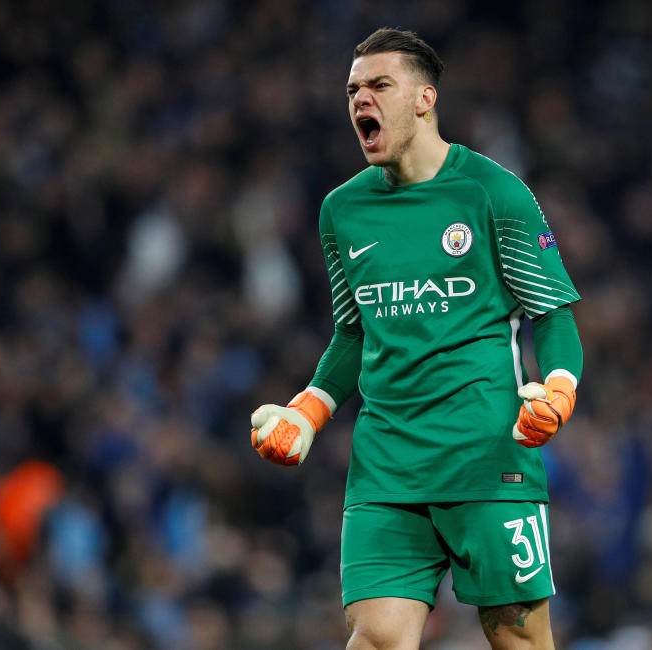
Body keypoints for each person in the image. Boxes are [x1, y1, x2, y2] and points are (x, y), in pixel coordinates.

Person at [250, 28, 583, 650]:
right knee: (376, 638)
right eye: (353, 90)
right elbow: (354, 334)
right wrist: (309, 410)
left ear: (425, 98)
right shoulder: (341, 211)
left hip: (486, 455)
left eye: (379, 86)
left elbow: (554, 314)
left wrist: (558, 389)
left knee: (519, 639)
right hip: (386, 466)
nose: (361, 101)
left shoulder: (494, 193)